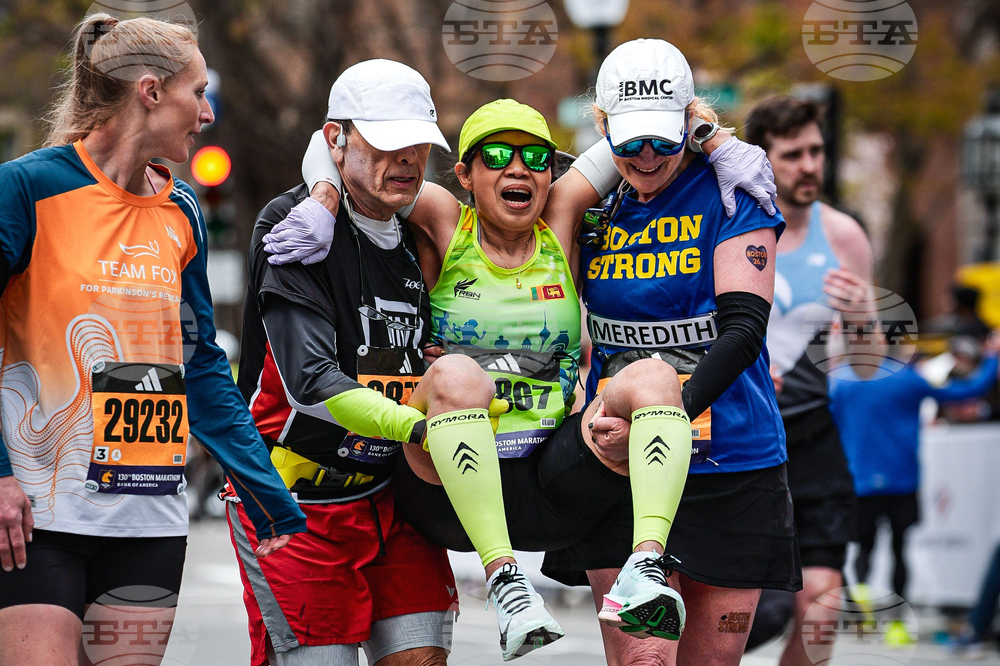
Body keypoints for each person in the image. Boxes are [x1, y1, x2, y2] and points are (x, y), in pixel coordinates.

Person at [280, 56, 781, 665]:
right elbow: (340, 146)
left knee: (652, 374)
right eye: (496, 157)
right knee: (454, 373)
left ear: (551, 174)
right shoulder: (445, 219)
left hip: (549, 472)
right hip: (450, 478)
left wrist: (711, 136)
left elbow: (627, 139)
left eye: (535, 158)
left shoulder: (560, 220)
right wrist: (324, 196)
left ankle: (646, 567)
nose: (517, 169)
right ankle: (507, 585)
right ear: (464, 175)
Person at [0, 14, 306, 666]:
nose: (206, 114)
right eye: (198, 93)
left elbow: (202, 365)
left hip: (148, 517)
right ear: (150, 92)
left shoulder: (183, 210)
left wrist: (268, 493)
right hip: (36, 514)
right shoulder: (27, 188)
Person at [225, 60, 465, 666]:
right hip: (295, 503)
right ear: (337, 140)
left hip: (392, 497)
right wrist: (419, 426)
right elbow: (309, 383)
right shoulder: (296, 225)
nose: (406, 159)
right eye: (387, 143)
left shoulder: (421, 230)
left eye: (418, 144)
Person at [746, 95, 875, 666]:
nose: (809, 166)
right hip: (740, 434)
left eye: (816, 152)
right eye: (793, 154)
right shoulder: (730, 226)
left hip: (811, 432)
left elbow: (866, 364)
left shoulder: (844, 235)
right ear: (762, 159)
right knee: (743, 612)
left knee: (822, 605)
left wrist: (864, 313)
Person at [829, 333, 1000, 610]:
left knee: (863, 550)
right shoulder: (908, 378)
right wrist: (992, 358)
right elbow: (967, 391)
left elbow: (826, 421)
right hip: (902, 479)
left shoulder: (841, 379)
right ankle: (898, 620)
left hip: (860, 481)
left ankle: (861, 611)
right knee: (899, 549)